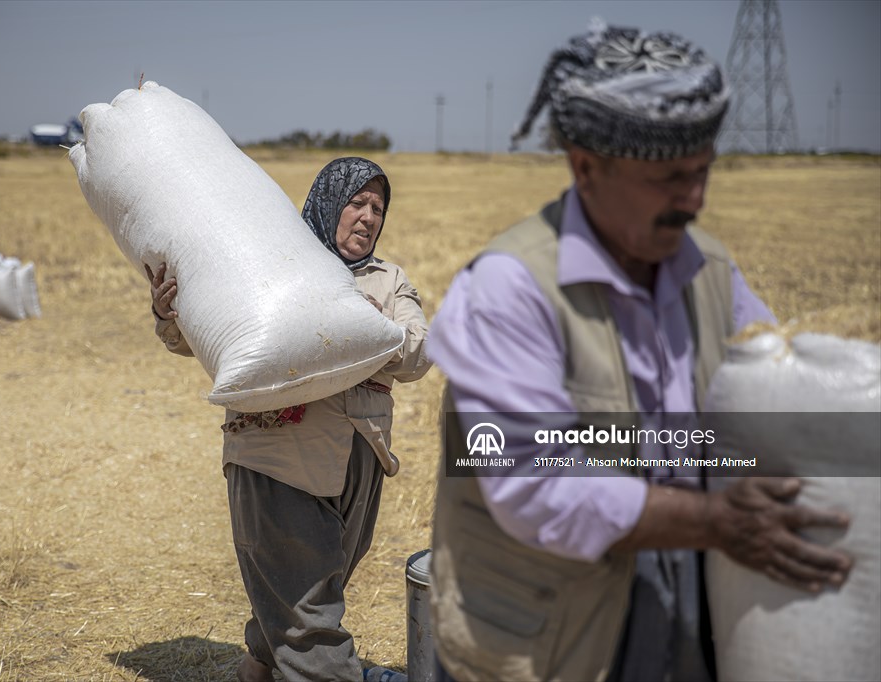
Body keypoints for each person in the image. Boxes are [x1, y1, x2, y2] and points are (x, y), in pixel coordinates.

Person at [425, 23, 853, 682]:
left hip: (687, 588)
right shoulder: (507, 289)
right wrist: (715, 521)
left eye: (703, 171)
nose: (695, 199)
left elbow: (768, 394)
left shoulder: (710, 270)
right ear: (586, 166)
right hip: (547, 635)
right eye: (669, 177)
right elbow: (534, 483)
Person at [146, 157, 431, 682]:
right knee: (307, 615)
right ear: (328, 201)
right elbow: (212, 335)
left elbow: (416, 355)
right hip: (277, 456)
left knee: (308, 584)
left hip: (358, 461)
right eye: (356, 202)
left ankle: (257, 668)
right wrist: (171, 316)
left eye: (378, 208)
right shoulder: (270, 262)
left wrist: (353, 318)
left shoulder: (388, 281)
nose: (368, 217)